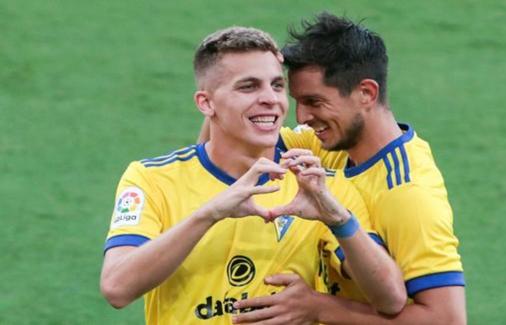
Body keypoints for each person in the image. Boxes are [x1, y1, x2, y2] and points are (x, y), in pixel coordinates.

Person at [100, 26, 406, 324]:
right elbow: (117, 288)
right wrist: (211, 213)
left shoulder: (316, 185)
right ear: (206, 103)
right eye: (248, 86)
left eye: (276, 85)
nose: (270, 99)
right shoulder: (152, 179)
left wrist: (338, 219)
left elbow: (391, 298)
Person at [231, 12, 466, 324]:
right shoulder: (331, 145)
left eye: (314, 102)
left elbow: (447, 319)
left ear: (366, 93)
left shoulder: (407, 193)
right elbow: (233, 142)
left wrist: (318, 307)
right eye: (298, 101)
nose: (301, 117)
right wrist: (236, 81)